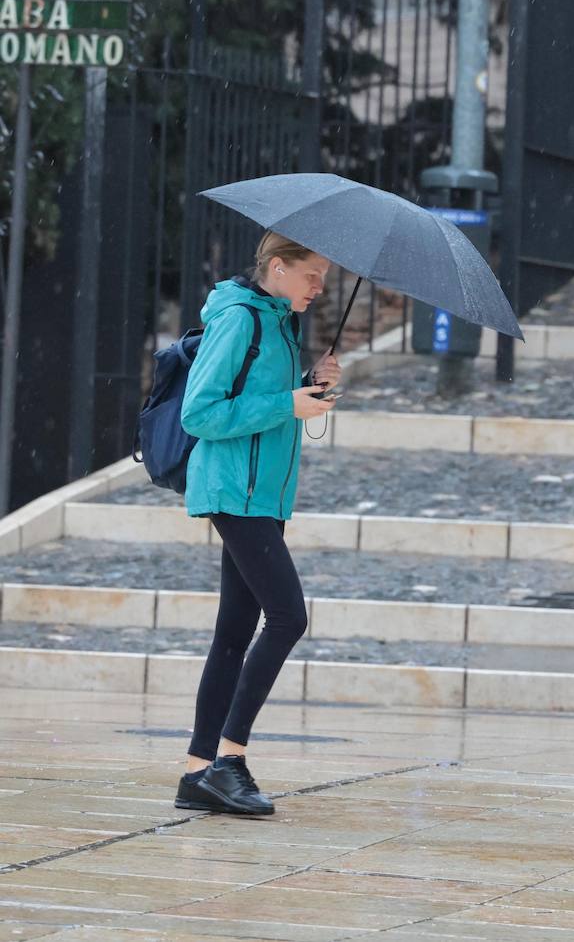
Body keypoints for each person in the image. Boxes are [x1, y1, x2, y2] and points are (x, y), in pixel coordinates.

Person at [173, 232, 341, 816]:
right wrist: (286, 404)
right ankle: (229, 759)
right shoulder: (240, 319)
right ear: (277, 266)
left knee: (235, 629)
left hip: (261, 495)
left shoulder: (279, 321)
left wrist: (309, 387)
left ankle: (198, 773)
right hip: (233, 490)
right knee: (288, 616)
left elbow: (269, 400)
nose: (320, 287)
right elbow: (201, 412)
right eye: (312, 274)